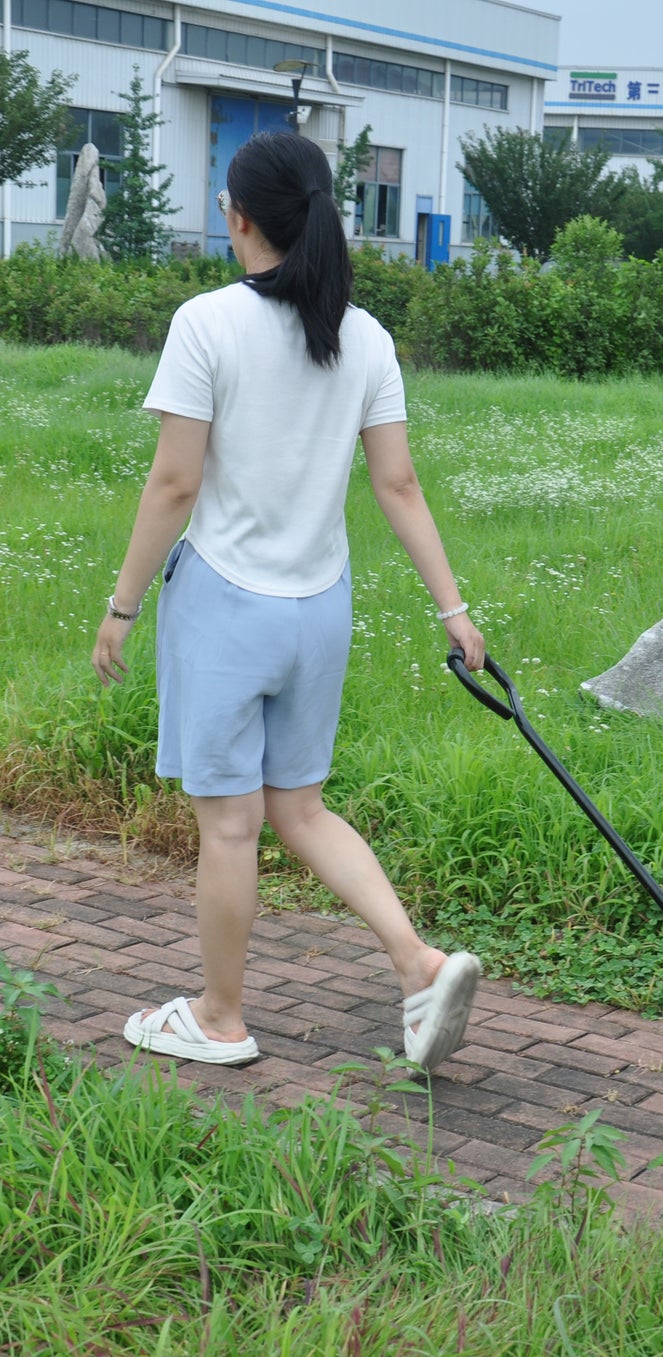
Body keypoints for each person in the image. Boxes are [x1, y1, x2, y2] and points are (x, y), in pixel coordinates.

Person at [91, 129, 483, 1073]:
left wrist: (122, 605)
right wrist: (452, 609)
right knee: (300, 809)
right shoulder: (366, 334)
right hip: (320, 609)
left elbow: (174, 485)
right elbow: (399, 487)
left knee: (230, 824)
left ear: (238, 216)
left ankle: (220, 1018)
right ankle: (418, 963)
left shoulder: (207, 323)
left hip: (226, 606)